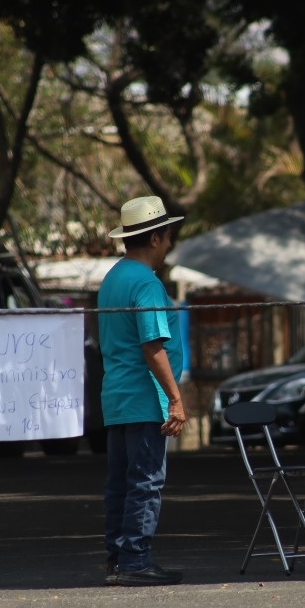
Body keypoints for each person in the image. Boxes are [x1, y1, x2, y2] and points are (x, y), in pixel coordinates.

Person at [98, 196, 189, 586]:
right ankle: (136, 559)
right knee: (146, 481)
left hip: (117, 397)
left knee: (121, 482)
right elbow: (152, 346)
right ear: (156, 238)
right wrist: (175, 398)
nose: (169, 245)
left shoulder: (113, 278)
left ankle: (118, 559)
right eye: (167, 237)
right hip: (144, 398)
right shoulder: (146, 283)